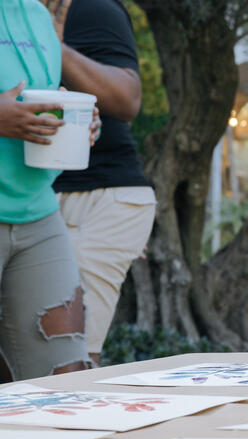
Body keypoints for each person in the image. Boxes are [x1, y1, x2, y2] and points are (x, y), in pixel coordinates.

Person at [48, 0, 156, 366]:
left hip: (102, 199)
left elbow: (127, 99)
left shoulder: (93, 9)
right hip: (32, 198)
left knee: (68, 352)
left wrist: (55, 47)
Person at [0, 0, 99, 380]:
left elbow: (43, 99)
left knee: (66, 377)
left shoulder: (39, 16)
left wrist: (82, 122)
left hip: (39, 215)